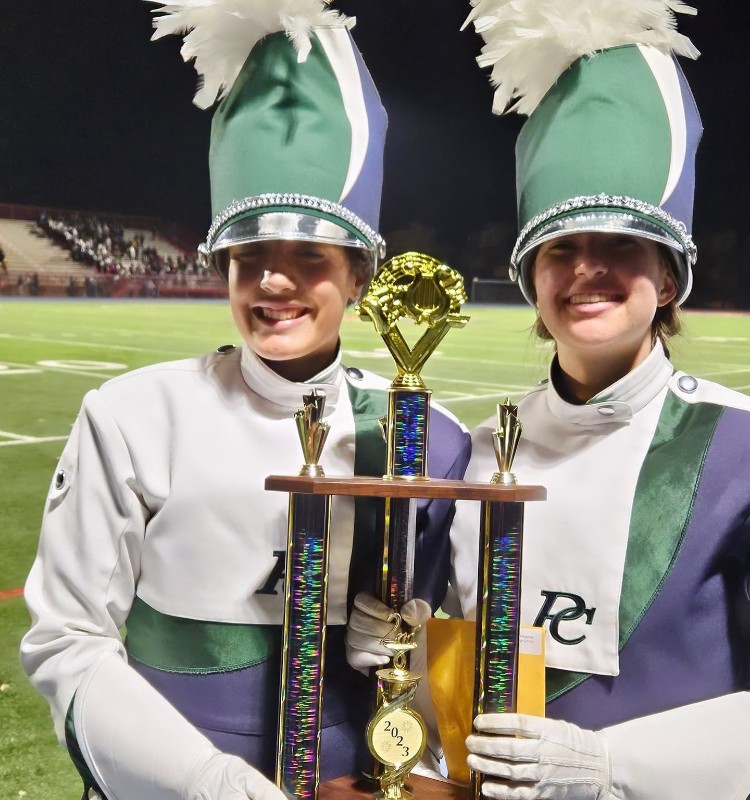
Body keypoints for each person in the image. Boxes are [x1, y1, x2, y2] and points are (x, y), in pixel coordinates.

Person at [20, 4, 469, 800]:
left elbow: (455, 662)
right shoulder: (132, 417)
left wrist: (414, 640)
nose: (273, 281)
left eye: (309, 256)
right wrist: (214, 785)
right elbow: (68, 643)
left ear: (361, 277)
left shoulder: (429, 439)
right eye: (249, 255)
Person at [446, 3, 750, 799]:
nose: (586, 271)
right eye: (561, 248)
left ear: (669, 275)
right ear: (530, 277)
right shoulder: (467, 455)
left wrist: (613, 771)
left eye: (620, 247)